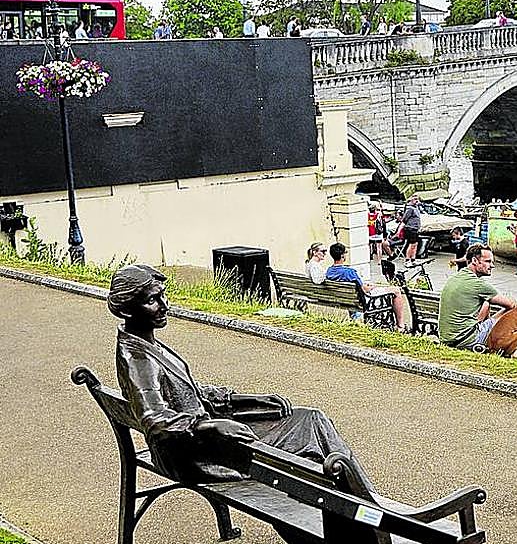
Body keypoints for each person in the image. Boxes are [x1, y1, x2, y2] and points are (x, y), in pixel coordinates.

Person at [107, 265, 364, 484]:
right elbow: (156, 420)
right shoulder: (138, 359)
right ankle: (369, 509)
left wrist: (251, 401)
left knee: (311, 420)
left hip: (201, 442)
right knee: (310, 436)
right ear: (128, 310)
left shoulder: (143, 342)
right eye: (152, 300)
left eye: (163, 296)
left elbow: (192, 392)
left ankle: (361, 506)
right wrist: (209, 426)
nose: (165, 305)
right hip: (198, 455)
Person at [437, 244, 517, 349]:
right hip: (469, 340)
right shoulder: (479, 285)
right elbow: (511, 305)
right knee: (513, 311)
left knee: (486, 302)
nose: (492, 266)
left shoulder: (456, 277)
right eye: (488, 261)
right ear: (475, 261)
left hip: (447, 339)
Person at [324, 242, 406, 329]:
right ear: (342, 256)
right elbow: (363, 289)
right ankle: (400, 325)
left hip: (346, 300)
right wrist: (373, 287)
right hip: (364, 301)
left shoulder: (329, 271)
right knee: (396, 290)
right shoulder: (349, 272)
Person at [400, 196, 422, 266]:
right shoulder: (409, 208)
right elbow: (405, 218)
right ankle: (407, 260)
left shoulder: (416, 208)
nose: (416, 201)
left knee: (415, 244)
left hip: (415, 228)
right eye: (415, 199)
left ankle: (413, 259)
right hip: (410, 228)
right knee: (411, 244)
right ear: (411, 200)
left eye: (417, 199)